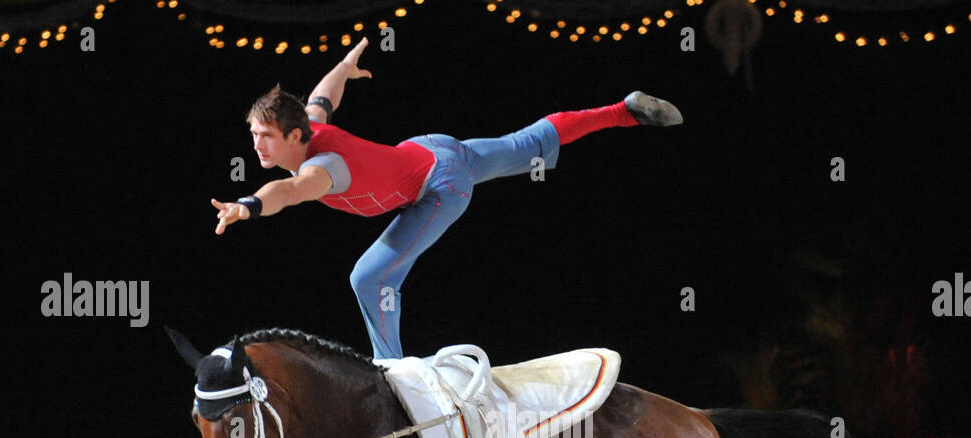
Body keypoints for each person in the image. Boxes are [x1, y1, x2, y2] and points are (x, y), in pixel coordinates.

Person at [212, 37, 682, 359]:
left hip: (438, 188)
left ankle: (392, 371)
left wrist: (248, 205)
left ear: (296, 136)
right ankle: (625, 111)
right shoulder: (310, 124)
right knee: (529, 142)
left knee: (368, 277)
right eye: (254, 135)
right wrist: (344, 68)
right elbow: (321, 98)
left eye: (267, 136)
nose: (258, 146)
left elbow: (289, 192)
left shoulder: (322, 170)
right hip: (432, 148)